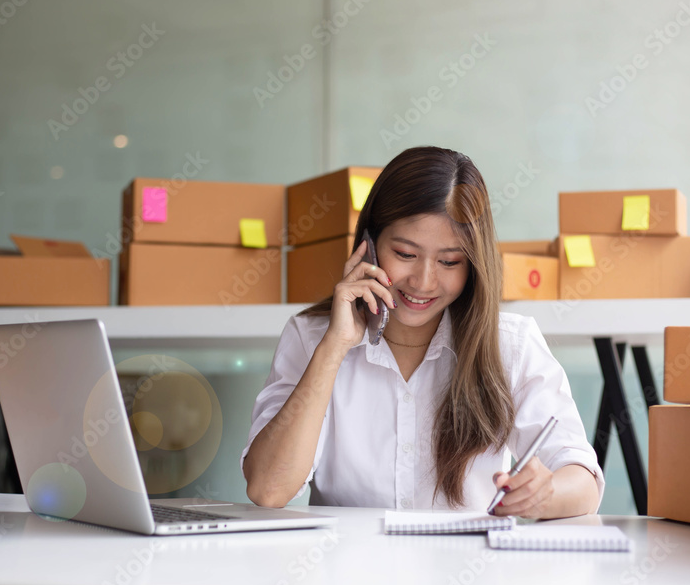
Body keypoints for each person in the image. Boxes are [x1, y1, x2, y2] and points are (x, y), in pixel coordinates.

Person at [241, 146, 603, 518]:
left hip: (467, 569)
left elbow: (583, 483)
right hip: (344, 570)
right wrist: (334, 347)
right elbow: (269, 488)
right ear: (368, 246)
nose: (424, 282)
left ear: (474, 264)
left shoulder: (509, 342)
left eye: (449, 261)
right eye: (405, 254)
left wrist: (545, 492)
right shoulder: (311, 336)